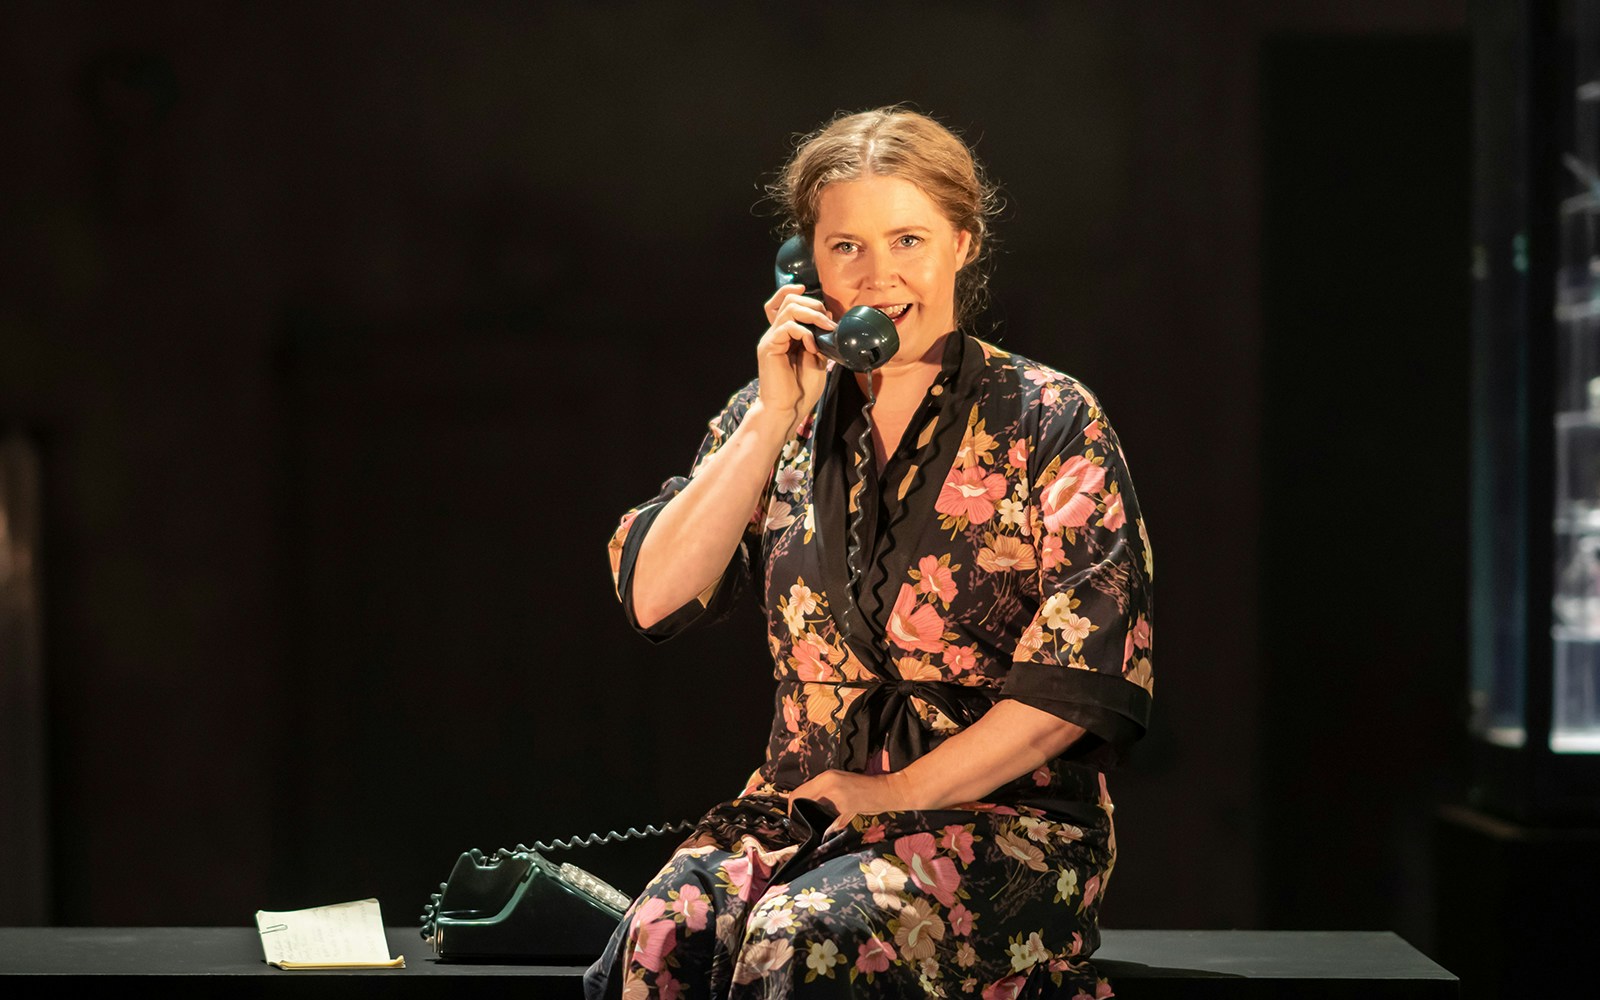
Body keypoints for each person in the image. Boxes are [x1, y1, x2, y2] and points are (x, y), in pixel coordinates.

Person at [589, 107, 1153, 1000]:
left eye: (907, 240)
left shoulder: (1050, 417)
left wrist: (892, 796)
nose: (877, 276)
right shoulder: (770, 411)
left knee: (798, 938)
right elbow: (655, 596)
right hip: (808, 812)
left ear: (962, 244)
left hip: (1003, 822)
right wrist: (774, 418)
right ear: (805, 263)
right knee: (662, 937)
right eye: (845, 246)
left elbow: (1073, 690)